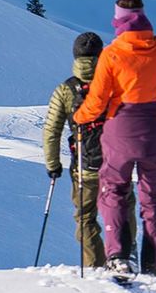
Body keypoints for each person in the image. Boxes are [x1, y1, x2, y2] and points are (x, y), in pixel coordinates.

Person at [74, 0, 156, 277]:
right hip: (155, 130)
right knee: (153, 199)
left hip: (120, 129)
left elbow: (98, 101)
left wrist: (79, 117)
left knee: (113, 189)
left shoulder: (112, 54)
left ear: (118, 19)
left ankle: (119, 255)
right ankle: (154, 263)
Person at [43, 32, 134, 267]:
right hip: (116, 165)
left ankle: (94, 267)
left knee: (85, 218)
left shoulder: (65, 90)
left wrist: (53, 165)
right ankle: (124, 255)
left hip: (84, 168)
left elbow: (51, 130)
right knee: (123, 207)